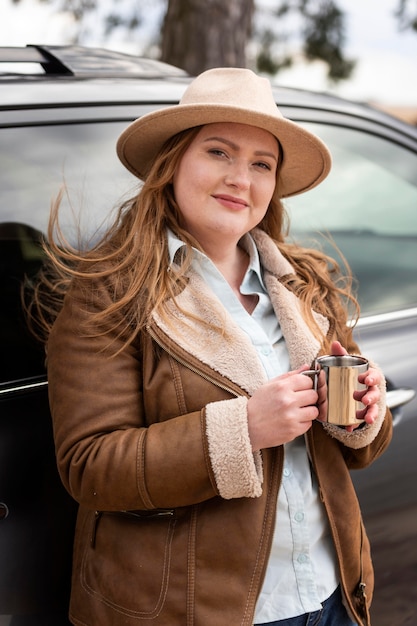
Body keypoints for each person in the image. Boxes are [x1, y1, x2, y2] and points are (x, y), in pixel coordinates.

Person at [31, 67, 392, 626]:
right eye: (219, 152)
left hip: (331, 595)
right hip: (194, 612)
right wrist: (243, 428)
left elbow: (358, 449)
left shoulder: (303, 283)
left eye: (261, 164)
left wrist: (365, 412)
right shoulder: (108, 294)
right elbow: (91, 466)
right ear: (174, 161)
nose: (240, 179)